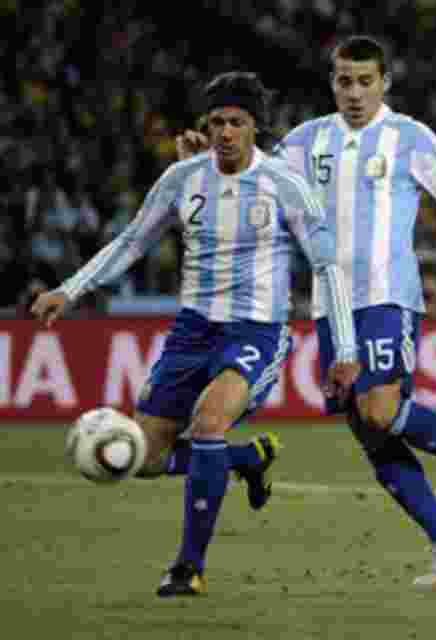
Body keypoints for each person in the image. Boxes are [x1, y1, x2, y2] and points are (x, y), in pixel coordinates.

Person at [177, 35, 436, 589]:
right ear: (332, 82)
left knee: (381, 409)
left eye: (365, 81)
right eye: (344, 81)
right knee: (369, 431)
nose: (355, 93)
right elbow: (249, 174)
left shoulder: (409, 137)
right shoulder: (305, 141)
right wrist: (206, 158)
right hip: (329, 307)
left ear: (385, 83)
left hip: (389, 295)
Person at [32, 72, 360, 597]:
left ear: (255, 128)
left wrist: (344, 348)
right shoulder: (182, 179)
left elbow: (328, 269)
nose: (226, 132)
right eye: (217, 122)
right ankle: (246, 459)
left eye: (237, 122)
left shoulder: (286, 186)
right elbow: (132, 242)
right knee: (144, 459)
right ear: (205, 127)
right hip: (191, 333)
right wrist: (69, 290)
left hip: (256, 329)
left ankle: (188, 567)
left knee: (209, 423)